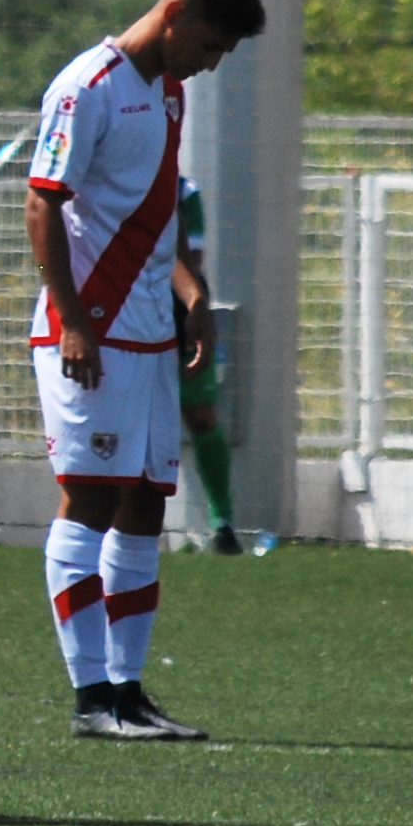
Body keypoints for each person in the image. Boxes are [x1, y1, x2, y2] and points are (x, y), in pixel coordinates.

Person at [24, 0, 266, 742]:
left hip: (148, 332)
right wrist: (73, 321)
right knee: (89, 502)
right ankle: (90, 698)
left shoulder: (164, 93)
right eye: (210, 47)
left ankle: (127, 691)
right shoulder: (87, 88)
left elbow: (154, 215)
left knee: (145, 506)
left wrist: (190, 295)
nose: (208, 66)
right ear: (176, 17)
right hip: (89, 331)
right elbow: (42, 205)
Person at [174, 179, 241, 554]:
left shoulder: (184, 192)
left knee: (201, 416)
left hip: (179, 308)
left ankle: (224, 523)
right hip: (119, 313)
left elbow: (191, 257)